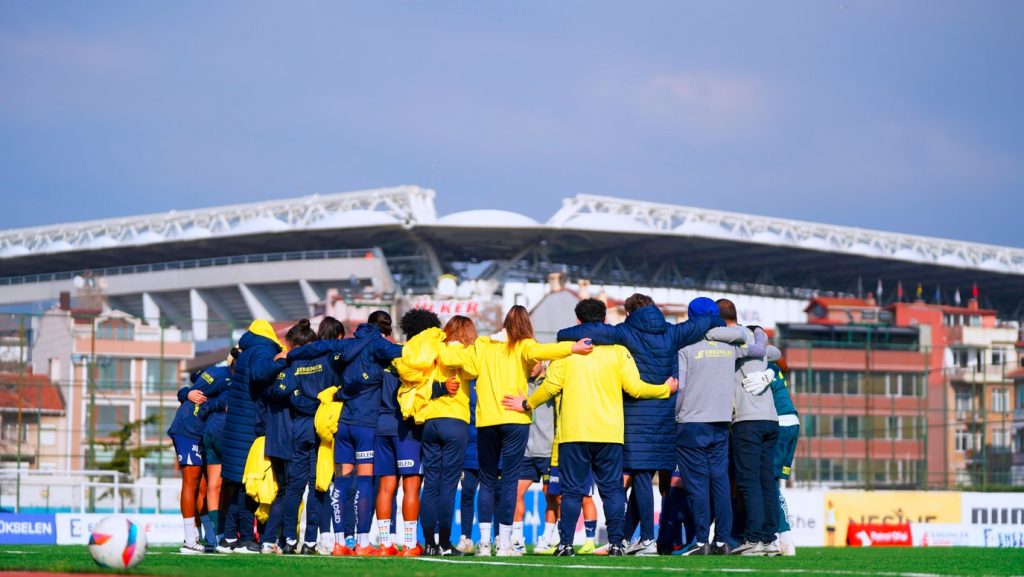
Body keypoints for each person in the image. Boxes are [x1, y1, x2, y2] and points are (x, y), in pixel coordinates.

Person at [503, 298, 678, 557]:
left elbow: (550, 387)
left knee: (572, 491)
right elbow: (636, 388)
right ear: (605, 321)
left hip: (573, 433)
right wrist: (665, 389)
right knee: (612, 490)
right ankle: (617, 543)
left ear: (578, 321)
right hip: (609, 434)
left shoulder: (567, 351)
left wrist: (526, 403)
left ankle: (565, 545)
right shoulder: (619, 351)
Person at [555, 293, 723, 555]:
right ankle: (637, 537)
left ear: (630, 313)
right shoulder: (673, 332)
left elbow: (592, 331)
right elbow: (706, 321)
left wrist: (562, 334)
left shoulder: (625, 332)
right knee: (645, 476)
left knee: (641, 476)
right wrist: (722, 323)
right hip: (664, 415)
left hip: (634, 415)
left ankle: (647, 539)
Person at [445, 305, 593, 556]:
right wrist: (574, 347)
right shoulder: (524, 344)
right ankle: (504, 544)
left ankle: (483, 544)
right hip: (515, 419)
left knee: (488, 482)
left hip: (487, 420)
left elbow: (463, 366)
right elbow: (545, 350)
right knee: (510, 482)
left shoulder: (483, 344)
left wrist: (452, 343)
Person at [287, 310, 403, 556]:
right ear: (384, 330)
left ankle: (340, 543)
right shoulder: (380, 346)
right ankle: (361, 543)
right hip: (366, 426)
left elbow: (316, 349)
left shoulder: (346, 343)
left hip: (344, 426)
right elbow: (407, 354)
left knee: (340, 483)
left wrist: (290, 354)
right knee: (363, 483)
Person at [675, 297, 766, 556]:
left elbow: (680, 388)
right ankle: (723, 540)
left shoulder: (686, 345)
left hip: (691, 422)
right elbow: (760, 350)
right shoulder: (731, 346)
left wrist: (675, 415)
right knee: (720, 483)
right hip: (721, 422)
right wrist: (757, 330)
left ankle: (701, 540)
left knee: (697, 485)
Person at [708, 299, 778, 557]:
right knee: (766, 480)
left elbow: (711, 332)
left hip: (747, 420)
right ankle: (770, 538)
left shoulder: (731, 337)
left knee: (748, 482)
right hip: (770, 418)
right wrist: (768, 368)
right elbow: (776, 354)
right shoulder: (752, 335)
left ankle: (754, 538)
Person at [217, 320, 287, 554]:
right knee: (249, 484)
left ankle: (228, 538)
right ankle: (246, 539)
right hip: (249, 427)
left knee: (237, 484)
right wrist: (281, 364)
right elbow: (259, 374)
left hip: (237, 426)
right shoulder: (263, 349)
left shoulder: (247, 351)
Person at [412, 314, 478, 556]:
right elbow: (474, 370)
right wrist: (463, 349)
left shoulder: (432, 348)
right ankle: (444, 543)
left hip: (430, 420)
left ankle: (429, 542)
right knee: (448, 485)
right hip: (455, 421)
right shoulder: (465, 351)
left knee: (431, 484)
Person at [261, 319, 319, 554]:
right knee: (288, 491)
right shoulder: (291, 366)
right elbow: (276, 391)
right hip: (288, 436)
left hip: (283, 435)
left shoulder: (290, 366)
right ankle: (276, 540)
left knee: (286, 490)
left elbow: (272, 391)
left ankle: (280, 540)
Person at [168, 361, 229, 554]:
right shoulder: (224, 373)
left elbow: (196, 379)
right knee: (191, 482)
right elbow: (196, 379)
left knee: (203, 486)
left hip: (205, 433)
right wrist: (186, 393)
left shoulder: (232, 376)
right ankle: (189, 538)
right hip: (188, 430)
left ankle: (208, 537)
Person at [515, 362, 553, 553]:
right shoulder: (519, 381)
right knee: (515, 493)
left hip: (548, 451)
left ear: (542, 362)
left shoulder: (553, 382)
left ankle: (547, 538)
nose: (529, 366)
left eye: (533, 362)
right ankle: (517, 539)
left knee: (551, 495)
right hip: (525, 451)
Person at [767, 351, 798, 556]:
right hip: (792, 422)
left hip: (781, 423)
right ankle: (777, 538)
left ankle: (782, 538)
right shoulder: (774, 365)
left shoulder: (761, 365)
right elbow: (784, 364)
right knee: (773, 483)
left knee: (768, 482)